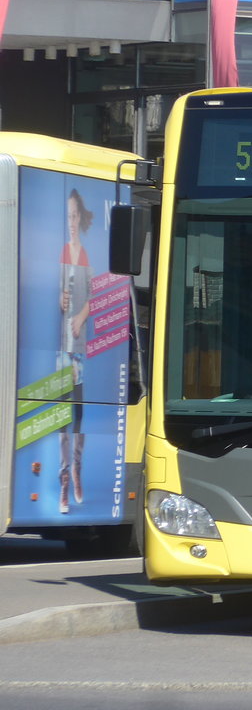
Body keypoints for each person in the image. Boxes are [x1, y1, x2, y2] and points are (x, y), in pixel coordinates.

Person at [59, 189, 93, 513]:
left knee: (78, 415)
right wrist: (63, 301)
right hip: (62, 350)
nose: (71, 222)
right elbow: (59, 296)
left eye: (74, 216)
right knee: (61, 418)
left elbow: (93, 296)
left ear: (80, 218)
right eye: (67, 216)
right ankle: (64, 481)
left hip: (78, 348)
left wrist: (81, 316)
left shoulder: (84, 255)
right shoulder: (62, 253)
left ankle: (78, 471)